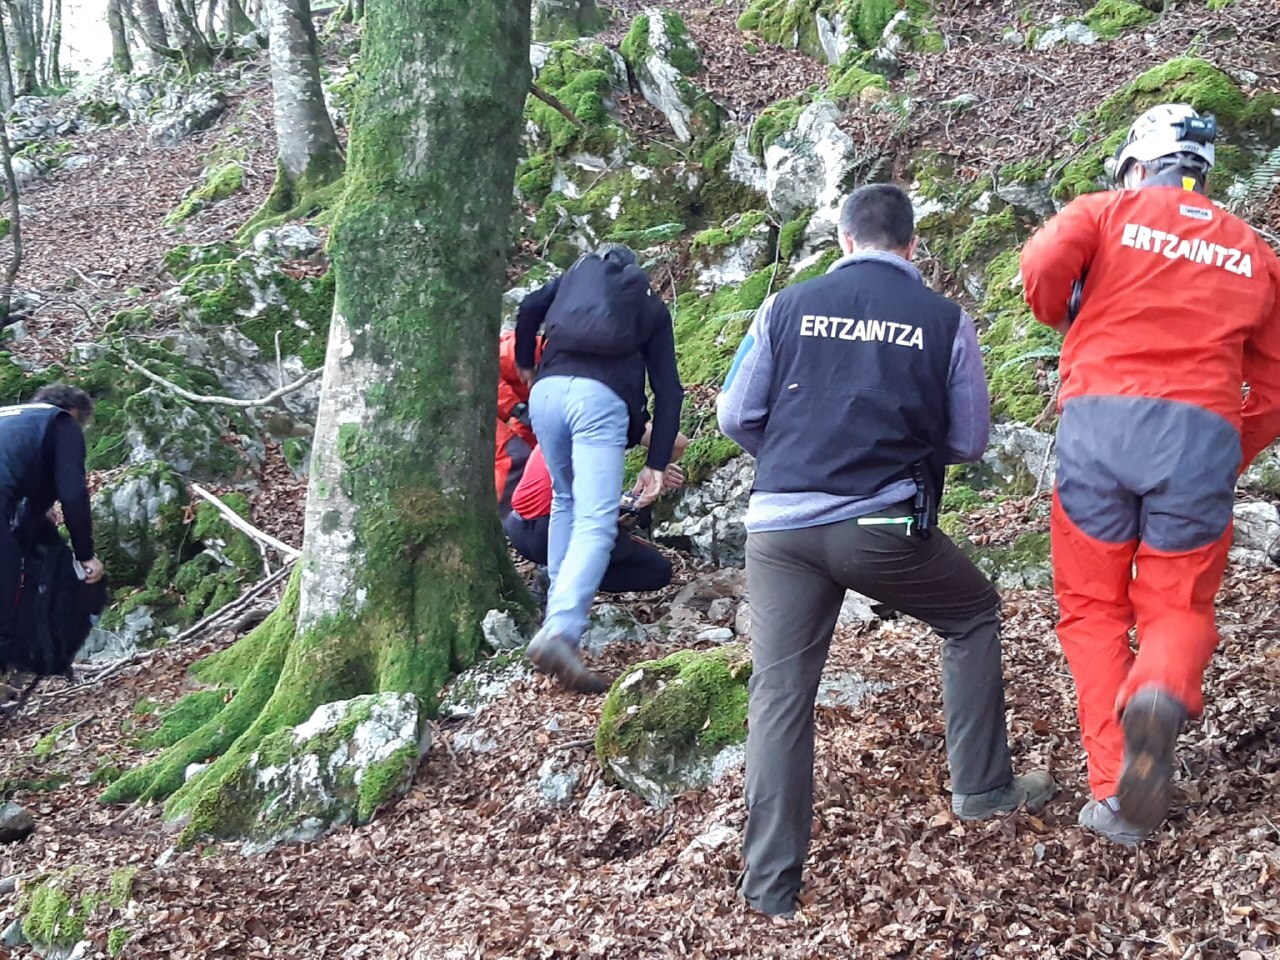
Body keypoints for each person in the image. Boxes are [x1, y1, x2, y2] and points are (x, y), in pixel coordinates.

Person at [718, 183, 1056, 918]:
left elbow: (736, 413)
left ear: (843, 241)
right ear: (912, 246)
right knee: (971, 615)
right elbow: (969, 440)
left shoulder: (784, 306)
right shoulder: (944, 320)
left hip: (777, 528)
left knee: (780, 697)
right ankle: (982, 788)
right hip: (881, 528)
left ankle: (770, 891)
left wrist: (791, 460)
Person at [1020, 104, 1280, 845]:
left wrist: (1063, 313)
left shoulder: (1105, 211)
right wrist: (1233, 446)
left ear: (1138, 163)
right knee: (1177, 604)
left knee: (1093, 608)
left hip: (1100, 428)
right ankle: (1161, 690)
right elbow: (1277, 378)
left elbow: (1041, 269)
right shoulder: (1253, 250)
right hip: (1200, 437)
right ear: (1201, 173)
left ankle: (1114, 791)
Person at [515, 242, 684, 693]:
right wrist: (656, 461)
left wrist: (528, 369)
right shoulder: (647, 303)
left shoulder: (572, 278)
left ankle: (554, 613)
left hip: (546, 395)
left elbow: (529, 307)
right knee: (595, 518)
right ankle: (561, 631)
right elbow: (669, 391)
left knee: (565, 500)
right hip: (599, 401)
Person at [0, 385, 105, 665]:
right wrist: (85, 554)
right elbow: (72, 494)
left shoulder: (12, 420)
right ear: (73, 412)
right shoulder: (61, 422)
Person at [504, 435, 688, 594]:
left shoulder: (556, 421)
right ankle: (561, 578)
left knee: (630, 516)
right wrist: (657, 466)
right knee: (657, 570)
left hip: (519, 526)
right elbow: (678, 443)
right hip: (550, 528)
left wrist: (651, 475)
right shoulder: (606, 419)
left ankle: (560, 571)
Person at [495, 328, 544, 516]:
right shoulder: (518, 350)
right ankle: (505, 519)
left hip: (529, 409)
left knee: (533, 458)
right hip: (476, 407)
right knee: (514, 458)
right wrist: (514, 407)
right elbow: (484, 370)